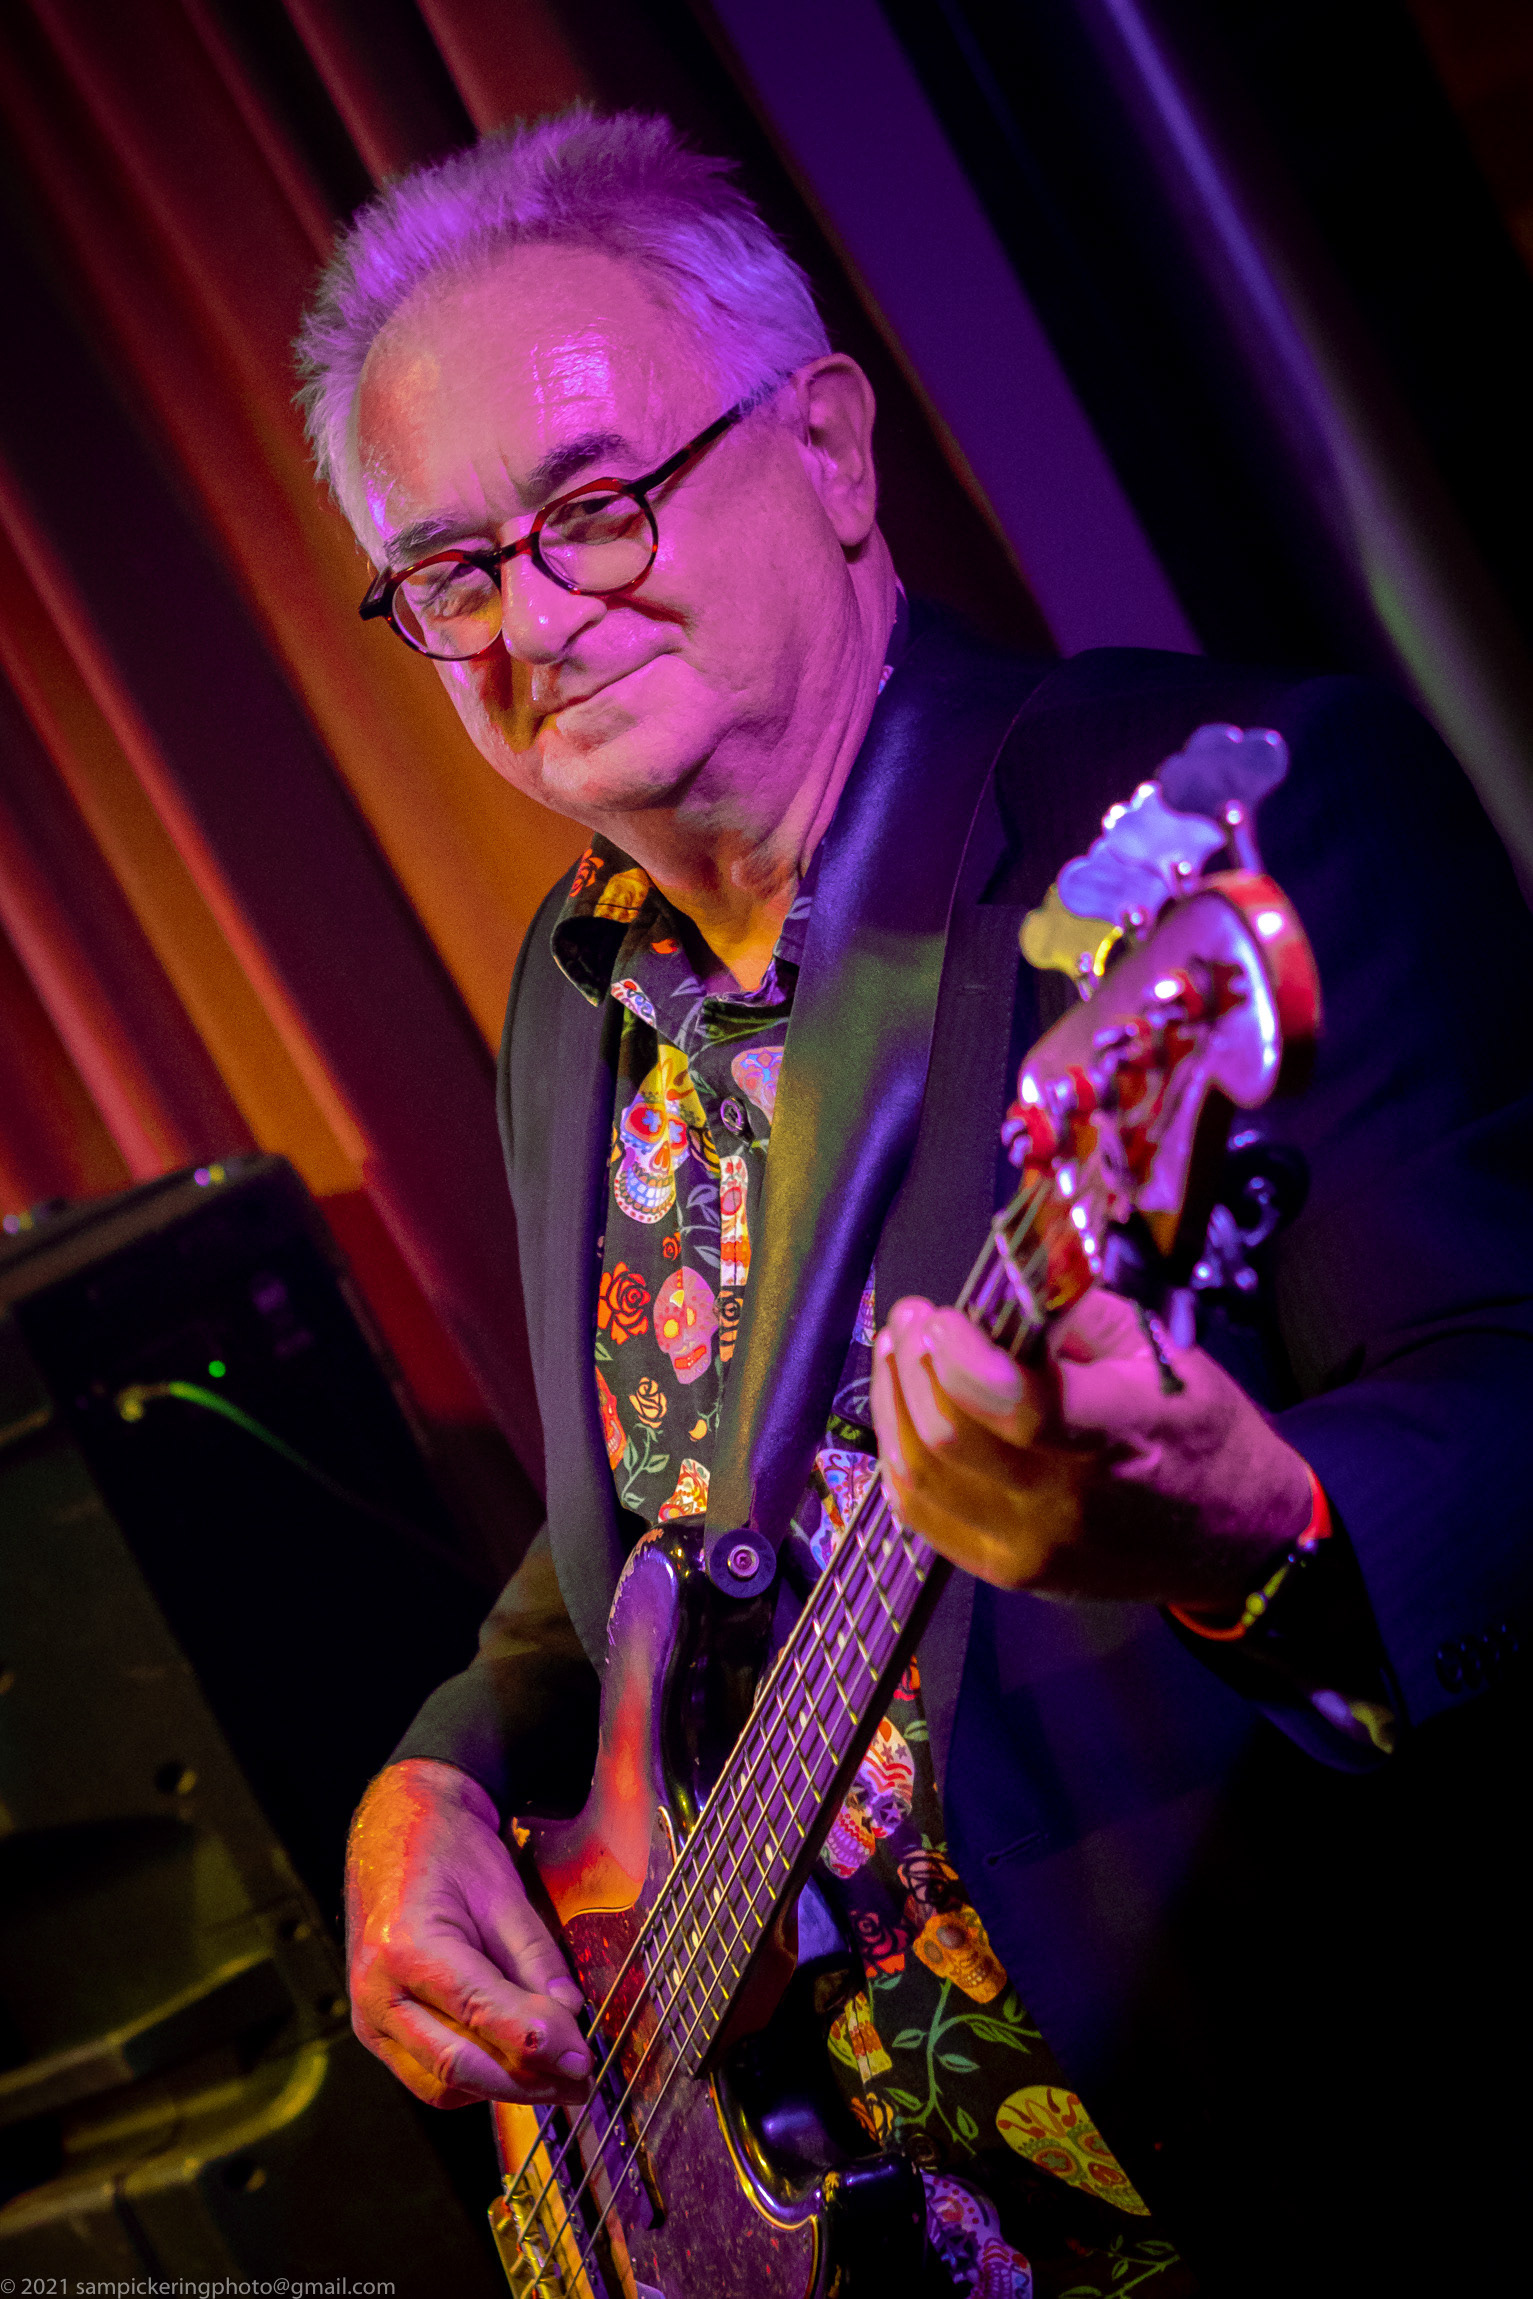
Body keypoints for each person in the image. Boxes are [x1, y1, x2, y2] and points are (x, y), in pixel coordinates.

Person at [297, 109, 1533, 2297]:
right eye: (455, 574)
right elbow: (655, 1524)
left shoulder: (1212, 826)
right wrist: (436, 1781)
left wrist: (1254, 1534)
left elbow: (1509, 1384)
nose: (537, 621)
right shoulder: (575, 995)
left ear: (832, 449)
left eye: (594, 506)